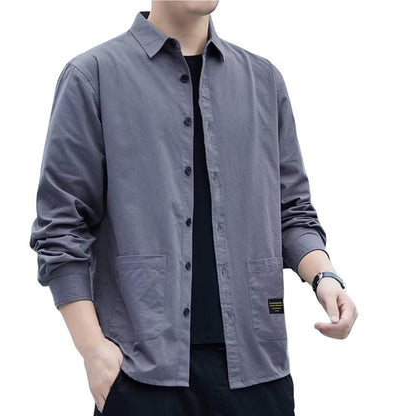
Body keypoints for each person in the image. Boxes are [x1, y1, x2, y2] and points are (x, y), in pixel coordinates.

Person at [29, 1, 358, 415]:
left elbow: (291, 211)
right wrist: (93, 350)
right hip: (141, 373)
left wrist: (324, 278)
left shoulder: (263, 80)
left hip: (257, 371)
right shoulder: (93, 76)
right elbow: (61, 227)